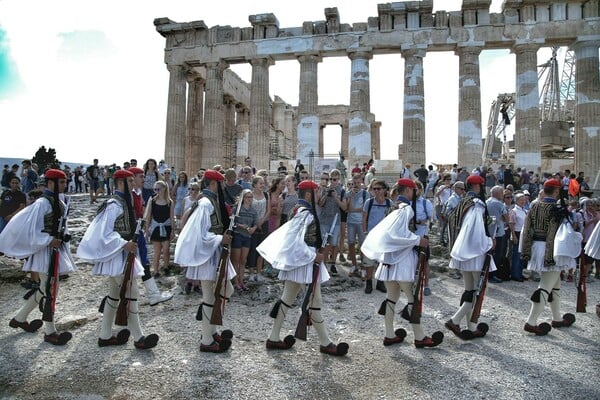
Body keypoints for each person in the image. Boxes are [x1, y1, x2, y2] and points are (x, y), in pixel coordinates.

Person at [257, 179, 349, 356]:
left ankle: (273, 337)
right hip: (304, 263)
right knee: (315, 302)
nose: (319, 195)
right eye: (316, 192)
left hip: (299, 262)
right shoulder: (304, 213)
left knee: (286, 299)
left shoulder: (298, 210)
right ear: (308, 194)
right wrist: (314, 255)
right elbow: (294, 241)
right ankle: (325, 343)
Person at [77, 169, 159, 349]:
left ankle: (105, 335)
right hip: (118, 255)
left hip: (122, 254)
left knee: (114, 296)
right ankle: (139, 338)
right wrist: (123, 244)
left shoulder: (123, 202)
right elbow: (104, 233)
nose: (133, 184)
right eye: (129, 181)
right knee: (132, 293)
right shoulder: (115, 204)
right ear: (121, 183)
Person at [362, 178, 444, 348]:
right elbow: (396, 234)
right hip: (402, 260)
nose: (415, 193)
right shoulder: (405, 209)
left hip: (389, 259)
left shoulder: (391, 207)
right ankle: (419, 337)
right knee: (412, 297)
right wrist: (418, 240)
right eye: (413, 190)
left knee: (391, 298)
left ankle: (389, 334)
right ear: (407, 191)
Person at [1, 169, 76, 345]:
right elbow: (31, 229)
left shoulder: (58, 200)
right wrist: (49, 240)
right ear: (51, 183)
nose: (65, 185)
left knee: (46, 287)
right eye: (61, 182)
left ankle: (20, 318)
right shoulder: (42, 203)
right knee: (49, 289)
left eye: (65, 182)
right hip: (45, 251)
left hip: (54, 249)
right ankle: (50, 331)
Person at [174, 169, 235, 353]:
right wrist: (219, 239)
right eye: (220, 184)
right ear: (214, 184)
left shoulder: (207, 201)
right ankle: (207, 340)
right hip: (207, 254)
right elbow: (199, 234)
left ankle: (210, 329)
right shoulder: (206, 204)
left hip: (212, 253)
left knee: (226, 289)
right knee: (210, 296)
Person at [520, 179, 578, 336]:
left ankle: (557, 318)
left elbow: (526, 230)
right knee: (545, 285)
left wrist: (525, 251)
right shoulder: (557, 209)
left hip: (536, 246)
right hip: (550, 250)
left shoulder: (534, 205)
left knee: (555, 284)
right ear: (557, 191)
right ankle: (531, 322)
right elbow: (560, 233)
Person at [445, 174, 496, 341]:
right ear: (478, 187)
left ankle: (472, 326)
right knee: (478, 290)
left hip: (463, 252)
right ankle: (455, 320)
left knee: (470, 289)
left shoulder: (461, 202)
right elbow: (475, 230)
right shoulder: (476, 204)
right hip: (475, 251)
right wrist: (488, 242)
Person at [127, 166, 172, 306]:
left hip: (137, 234)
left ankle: (153, 294)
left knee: (144, 264)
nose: (144, 179)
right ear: (132, 179)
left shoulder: (137, 193)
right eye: (141, 176)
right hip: (132, 236)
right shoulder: (130, 196)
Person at [362, 179, 393, 293]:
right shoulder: (369, 203)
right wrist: (365, 232)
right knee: (369, 260)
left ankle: (380, 282)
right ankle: (369, 282)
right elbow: (364, 218)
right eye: (374, 189)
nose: (376, 191)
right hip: (371, 236)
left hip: (384, 237)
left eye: (378, 189)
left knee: (383, 260)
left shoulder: (389, 204)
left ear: (384, 190)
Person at [318, 169, 346, 275]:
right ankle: (323, 265)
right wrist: (326, 194)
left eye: (334, 179)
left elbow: (344, 207)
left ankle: (333, 264)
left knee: (334, 243)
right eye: (331, 179)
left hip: (335, 221)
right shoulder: (326, 189)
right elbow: (320, 204)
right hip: (324, 220)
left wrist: (336, 197)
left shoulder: (342, 191)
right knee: (325, 244)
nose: (332, 181)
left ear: (338, 179)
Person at [145, 180, 175, 277]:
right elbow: (149, 215)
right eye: (155, 189)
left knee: (166, 249)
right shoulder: (152, 200)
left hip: (166, 227)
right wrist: (147, 229)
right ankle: (156, 271)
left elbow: (171, 216)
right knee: (157, 251)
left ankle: (166, 267)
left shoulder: (170, 202)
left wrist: (173, 230)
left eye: (158, 189)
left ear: (164, 189)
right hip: (156, 227)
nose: (156, 191)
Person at [230, 189, 257, 292]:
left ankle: (241, 281)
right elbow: (232, 222)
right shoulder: (237, 209)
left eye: (251, 197)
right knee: (236, 260)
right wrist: (242, 226)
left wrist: (253, 229)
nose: (249, 199)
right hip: (238, 235)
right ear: (243, 198)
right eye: (247, 197)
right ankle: (236, 281)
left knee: (243, 260)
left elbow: (255, 223)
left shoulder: (253, 210)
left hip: (247, 236)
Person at [345, 173, 368, 276]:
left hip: (361, 222)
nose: (357, 184)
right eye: (355, 183)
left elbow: (364, 209)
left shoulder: (365, 193)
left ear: (361, 182)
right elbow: (348, 209)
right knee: (351, 243)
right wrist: (352, 196)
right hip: (351, 222)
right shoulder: (348, 193)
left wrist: (354, 210)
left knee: (362, 245)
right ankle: (354, 265)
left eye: (358, 182)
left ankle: (363, 266)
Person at [487, 186, 509, 283]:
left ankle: (488, 274)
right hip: (498, 232)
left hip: (488, 231)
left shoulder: (487, 202)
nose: (503, 195)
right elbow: (506, 218)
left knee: (490, 254)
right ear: (497, 193)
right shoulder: (499, 204)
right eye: (501, 193)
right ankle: (494, 275)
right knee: (498, 254)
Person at [434, 174, 453, 246]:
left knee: (449, 224)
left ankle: (448, 240)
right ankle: (441, 240)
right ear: (444, 180)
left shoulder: (451, 188)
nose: (448, 181)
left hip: (449, 207)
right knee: (443, 224)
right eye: (447, 179)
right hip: (442, 207)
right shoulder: (442, 187)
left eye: (449, 179)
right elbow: (437, 194)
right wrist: (444, 188)